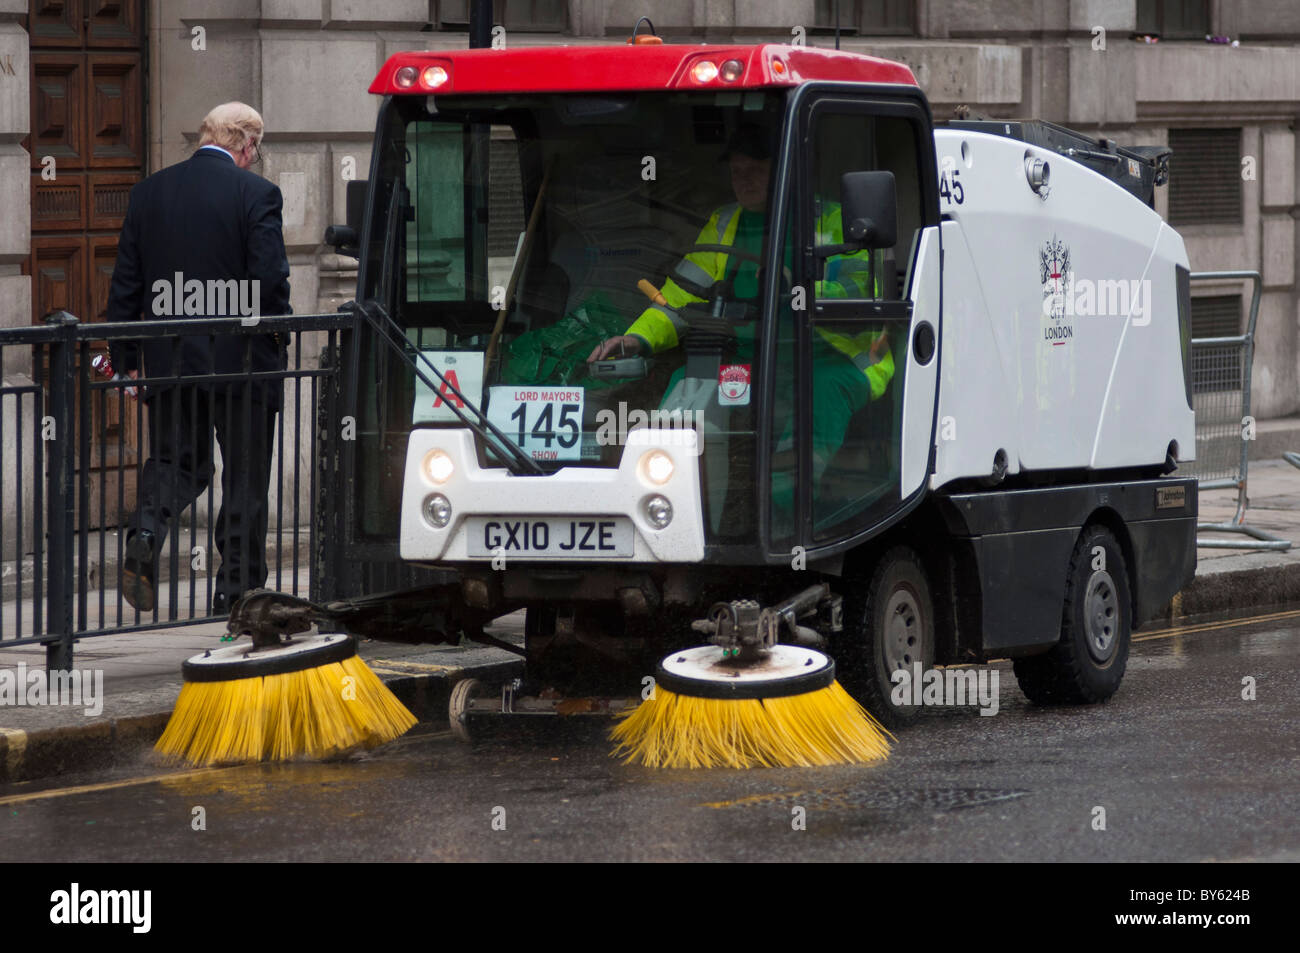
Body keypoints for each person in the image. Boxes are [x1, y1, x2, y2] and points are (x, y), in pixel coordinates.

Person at [587, 124, 894, 511]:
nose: (742, 180)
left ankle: (786, 516)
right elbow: (681, 295)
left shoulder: (836, 221)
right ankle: (674, 502)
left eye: (755, 169)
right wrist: (637, 339)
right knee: (690, 382)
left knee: (819, 394)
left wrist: (797, 288)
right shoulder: (725, 222)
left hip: (829, 360)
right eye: (736, 170)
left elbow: (860, 293)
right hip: (746, 357)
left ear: (787, 169)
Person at [106, 102, 291, 617]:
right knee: (245, 476)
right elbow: (270, 278)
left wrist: (125, 359)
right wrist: (276, 336)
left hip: (171, 361)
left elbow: (126, 284)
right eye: (256, 150)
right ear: (247, 145)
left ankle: (146, 529)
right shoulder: (256, 193)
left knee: (177, 461)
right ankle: (237, 591)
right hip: (242, 363)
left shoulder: (150, 193)